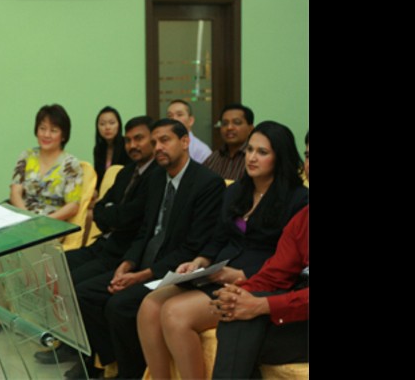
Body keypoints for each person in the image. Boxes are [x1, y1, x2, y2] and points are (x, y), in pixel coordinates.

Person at [137, 121, 307, 379]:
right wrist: (199, 261)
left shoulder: (297, 199)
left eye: (262, 152)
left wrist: (242, 275)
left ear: (279, 157)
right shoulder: (237, 191)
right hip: (218, 269)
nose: (251, 158)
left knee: (174, 313)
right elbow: (218, 237)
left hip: (258, 278)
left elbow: (285, 263)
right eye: (249, 150)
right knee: (149, 306)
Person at [69, 119, 225, 379]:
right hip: (143, 264)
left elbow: (192, 247)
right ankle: (109, 364)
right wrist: (128, 263)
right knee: (86, 293)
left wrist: (142, 275)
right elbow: (144, 231)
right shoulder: (156, 179)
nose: (158, 147)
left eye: (165, 140)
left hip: (175, 271)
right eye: (155, 142)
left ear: (185, 142)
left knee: (118, 306)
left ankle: (132, 373)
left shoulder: (207, 184)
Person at [33, 116, 158, 366]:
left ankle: (93, 359)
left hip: (121, 252)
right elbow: (100, 208)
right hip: (104, 243)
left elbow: (130, 216)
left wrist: (111, 213)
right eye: (129, 140)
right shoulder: (127, 172)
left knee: (77, 286)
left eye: (139, 139)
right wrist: (112, 214)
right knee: (54, 267)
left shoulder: (157, 176)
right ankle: (69, 343)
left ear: (153, 141)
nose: (133, 145)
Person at [209, 131, 309, 379]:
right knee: (237, 318)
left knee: (243, 335)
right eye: (308, 156)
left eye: (262, 152)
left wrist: (262, 304)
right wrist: (239, 292)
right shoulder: (303, 219)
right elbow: (277, 273)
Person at [10, 104, 83, 221]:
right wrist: (26, 218)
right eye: (42, 128)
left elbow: (73, 206)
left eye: (53, 130)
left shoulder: (71, 164)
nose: (46, 135)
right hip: (22, 218)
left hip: (52, 223)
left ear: (63, 135)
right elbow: (15, 193)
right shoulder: (26, 156)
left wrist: (44, 221)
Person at [203, 103, 255, 181]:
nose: (229, 128)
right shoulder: (214, 158)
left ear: (251, 129)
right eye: (224, 123)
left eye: (237, 122)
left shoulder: (255, 158)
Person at [93, 106, 131, 191]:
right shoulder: (98, 149)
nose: (107, 127)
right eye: (102, 124)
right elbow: (98, 178)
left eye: (112, 123)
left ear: (119, 125)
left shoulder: (127, 145)